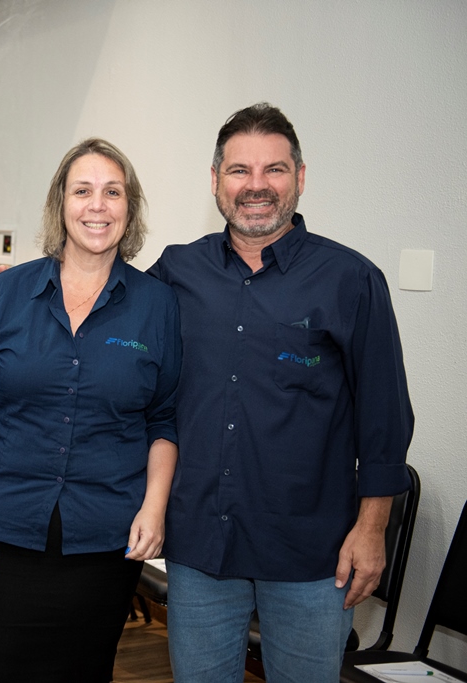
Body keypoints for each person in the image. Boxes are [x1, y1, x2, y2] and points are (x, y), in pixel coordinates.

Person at [148, 103, 413, 682]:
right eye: (239, 170)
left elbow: (385, 420)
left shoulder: (351, 280)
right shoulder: (175, 272)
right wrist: (8, 288)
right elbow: (103, 311)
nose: (256, 185)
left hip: (313, 556)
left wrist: (371, 530)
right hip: (201, 548)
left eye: (274, 169)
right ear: (215, 180)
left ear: (300, 176)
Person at [0, 138, 181, 683]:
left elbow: (163, 418)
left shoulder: (157, 305)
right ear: (60, 204)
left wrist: (154, 507)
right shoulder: (6, 294)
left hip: (105, 540)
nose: (98, 206)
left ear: (130, 207)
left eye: (112, 192)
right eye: (82, 191)